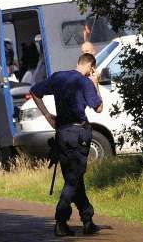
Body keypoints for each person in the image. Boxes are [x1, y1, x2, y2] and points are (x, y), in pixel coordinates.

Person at [30, 53, 103, 236]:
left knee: (75, 178)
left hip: (62, 134)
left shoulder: (58, 77)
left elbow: (35, 91)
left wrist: (47, 116)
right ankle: (60, 221)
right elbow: (99, 107)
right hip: (79, 134)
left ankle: (87, 220)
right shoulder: (85, 82)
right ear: (91, 67)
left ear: (78, 62)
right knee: (73, 180)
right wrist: (96, 83)